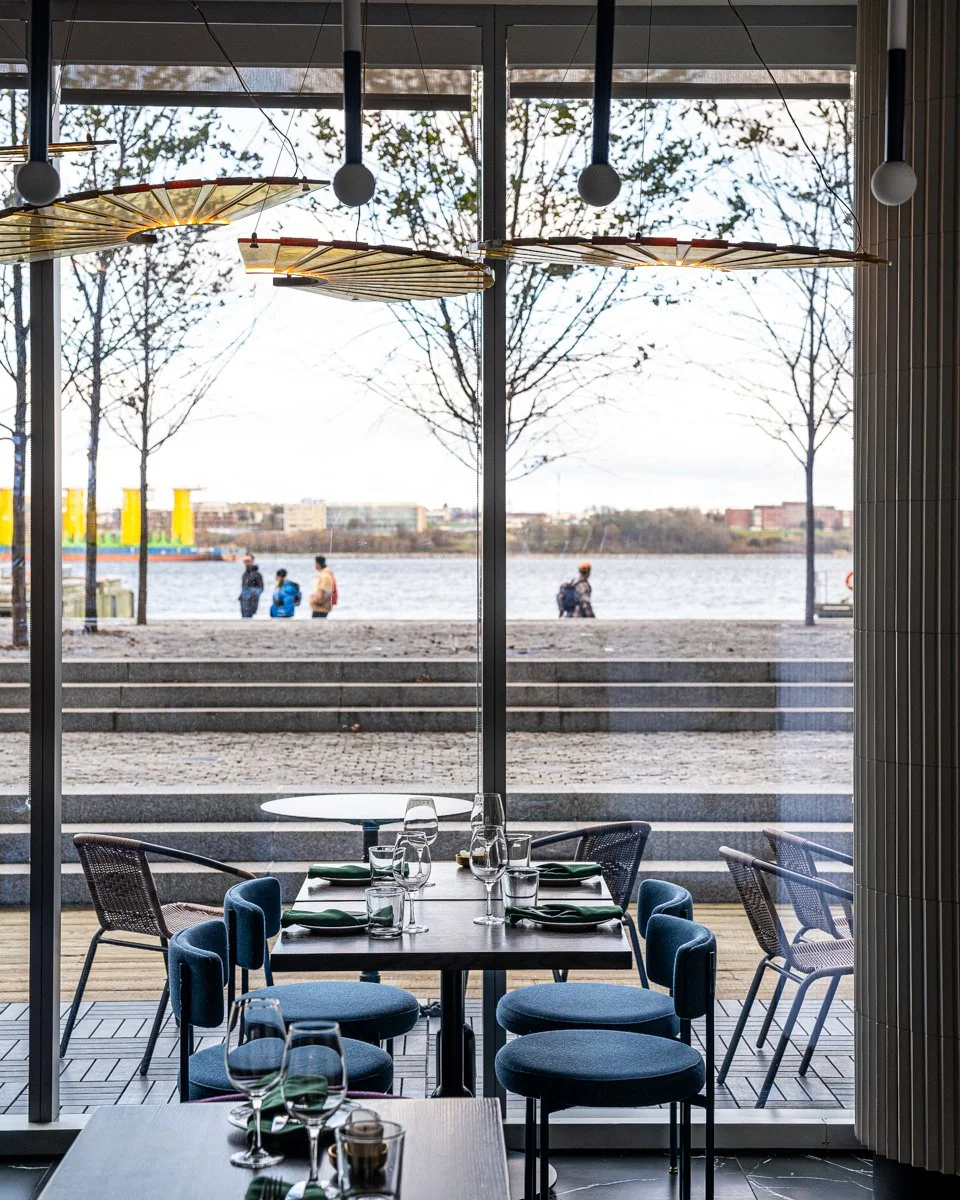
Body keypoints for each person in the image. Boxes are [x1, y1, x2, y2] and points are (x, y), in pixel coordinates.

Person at [309, 554, 338, 619]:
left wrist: (316, 600)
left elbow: (324, 591)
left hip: (321, 606)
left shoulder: (325, 575)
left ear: (318, 564)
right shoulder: (324, 574)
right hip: (320, 606)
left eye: (315, 563)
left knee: (316, 622)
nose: (314, 565)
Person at [238, 554, 264, 619]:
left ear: (252, 561)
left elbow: (261, 588)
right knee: (245, 616)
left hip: (251, 600)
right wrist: (241, 596)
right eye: (245, 561)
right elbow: (243, 587)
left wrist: (252, 594)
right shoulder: (245, 574)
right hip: (244, 601)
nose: (246, 563)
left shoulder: (257, 574)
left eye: (248, 561)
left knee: (248, 615)